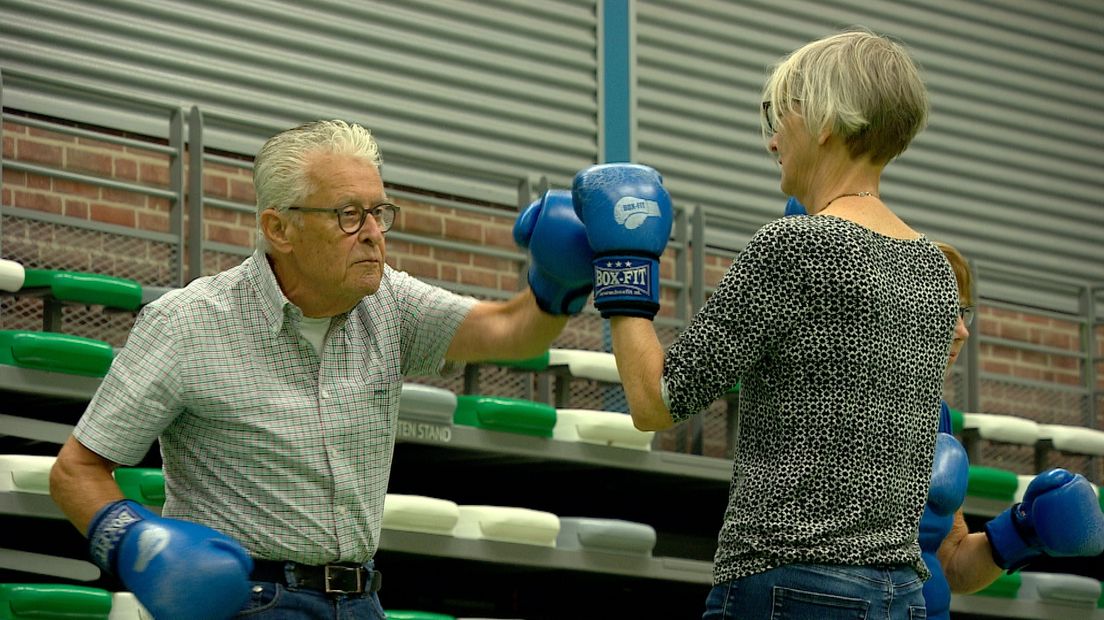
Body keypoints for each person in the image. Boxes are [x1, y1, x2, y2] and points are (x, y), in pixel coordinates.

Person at [48, 120, 594, 619]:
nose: (374, 233)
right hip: (248, 601)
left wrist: (557, 285)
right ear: (279, 229)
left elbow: (509, 331)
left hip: (362, 600)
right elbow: (76, 471)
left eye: (380, 213)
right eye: (348, 215)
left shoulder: (392, 304)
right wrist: (138, 543)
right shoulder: (187, 323)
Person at [572, 28, 959, 618]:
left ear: (827, 121)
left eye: (784, 114)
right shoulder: (933, 269)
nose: (774, 137)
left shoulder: (796, 245)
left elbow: (656, 401)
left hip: (788, 577)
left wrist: (622, 271)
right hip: (900, 594)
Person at [920, 241, 1104, 620]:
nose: (961, 332)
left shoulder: (938, 417)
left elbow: (951, 564)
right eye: (946, 310)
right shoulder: (834, 405)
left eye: (964, 312)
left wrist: (1022, 530)